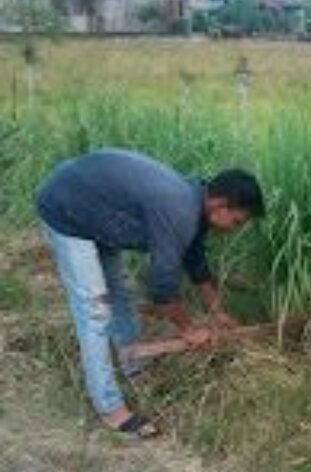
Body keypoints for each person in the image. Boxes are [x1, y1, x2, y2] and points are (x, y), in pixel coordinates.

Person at [36, 148, 264, 438]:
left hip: (95, 211)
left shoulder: (193, 202)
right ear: (219, 204)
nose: (234, 229)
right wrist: (188, 329)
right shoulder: (179, 207)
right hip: (66, 210)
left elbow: (194, 260)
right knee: (94, 309)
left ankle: (132, 365)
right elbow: (163, 285)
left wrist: (217, 310)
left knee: (119, 293)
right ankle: (110, 409)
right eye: (236, 222)